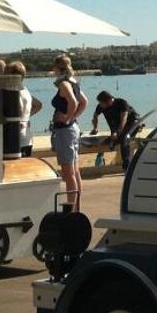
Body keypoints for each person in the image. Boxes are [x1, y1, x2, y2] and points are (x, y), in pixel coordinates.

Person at [50, 54, 87, 210]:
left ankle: (71, 208)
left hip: (65, 131)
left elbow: (73, 102)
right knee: (75, 171)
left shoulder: (64, 84)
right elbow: (84, 102)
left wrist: (67, 118)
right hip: (72, 129)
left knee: (68, 173)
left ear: (57, 68)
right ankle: (76, 206)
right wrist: (73, 118)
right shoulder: (73, 82)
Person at [90, 91, 139, 169]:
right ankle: (100, 156)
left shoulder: (121, 103)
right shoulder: (101, 106)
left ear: (109, 100)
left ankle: (126, 164)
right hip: (117, 126)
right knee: (108, 141)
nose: (100, 105)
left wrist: (118, 132)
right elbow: (95, 115)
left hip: (131, 123)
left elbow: (124, 119)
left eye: (102, 103)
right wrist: (95, 128)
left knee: (124, 138)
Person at [6, 60, 42, 157]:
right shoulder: (25, 89)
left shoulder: (14, 90)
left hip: (17, 137)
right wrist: (26, 118)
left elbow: (20, 108)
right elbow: (38, 105)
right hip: (27, 136)